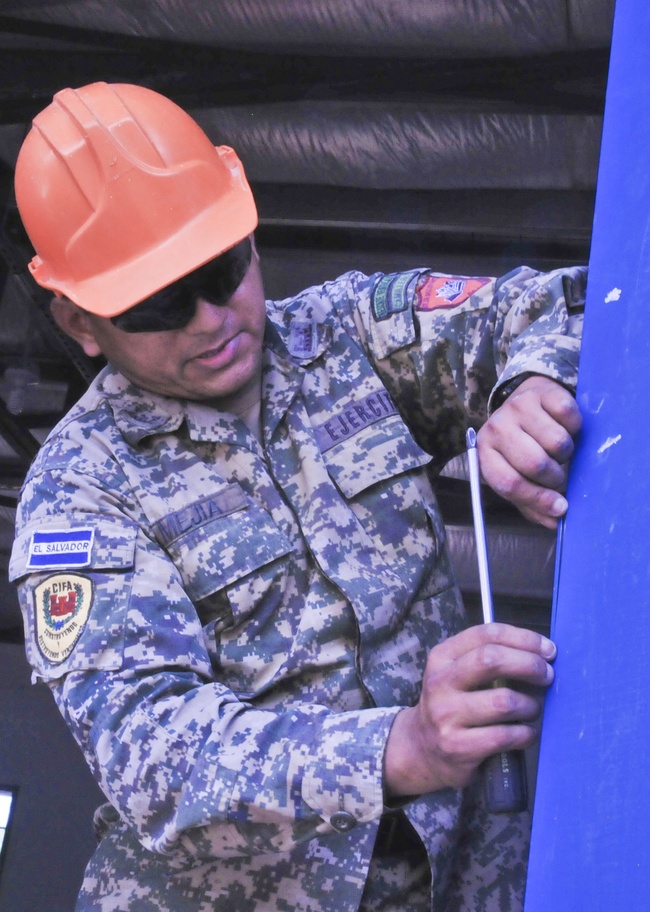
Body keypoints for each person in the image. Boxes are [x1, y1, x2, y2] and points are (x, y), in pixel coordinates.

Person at [8, 82, 585, 912]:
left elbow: (563, 305)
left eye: (222, 268)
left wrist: (528, 387)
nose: (210, 319)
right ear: (79, 323)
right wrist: (402, 747)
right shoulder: (80, 492)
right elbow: (154, 757)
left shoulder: (347, 336)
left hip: (459, 874)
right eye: (159, 304)